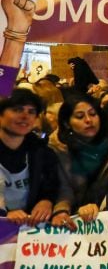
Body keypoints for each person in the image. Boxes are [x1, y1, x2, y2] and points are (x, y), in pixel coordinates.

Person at [0, 89, 69, 226]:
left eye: (31, 112)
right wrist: (4, 216)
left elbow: (53, 185)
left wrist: (46, 201)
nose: (25, 116)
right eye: (17, 110)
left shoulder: (43, 153)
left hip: (29, 231)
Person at [49, 94, 108, 207]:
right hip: (72, 215)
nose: (88, 120)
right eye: (80, 116)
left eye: (93, 114)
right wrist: (62, 209)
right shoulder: (57, 151)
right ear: (67, 123)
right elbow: (62, 190)